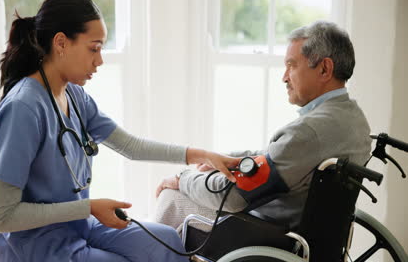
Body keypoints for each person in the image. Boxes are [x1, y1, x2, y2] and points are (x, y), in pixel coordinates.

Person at [0, 0, 241, 261]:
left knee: (166, 239)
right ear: (61, 43)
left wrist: (203, 155)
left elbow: (131, 146)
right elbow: (3, 217)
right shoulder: (23, 109)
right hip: (37, 245)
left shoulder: (74, 96)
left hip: (79, 226)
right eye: (93, 49)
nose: (100, 61)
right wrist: (89, 207)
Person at [155, 21, 372, 233]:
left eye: (291, 65)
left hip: (268, 232)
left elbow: (232, 197)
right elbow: (276, 158)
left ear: (324, 69)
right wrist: (226, 160)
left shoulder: (309, 132)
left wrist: (182, 179)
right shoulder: (355, 120)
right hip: (316, 234)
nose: (284, 77)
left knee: (172, 198)